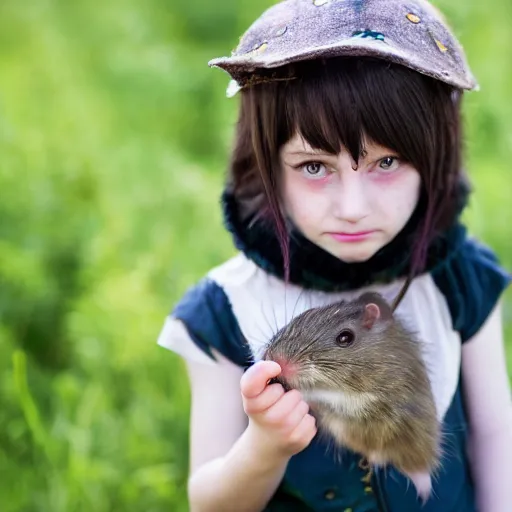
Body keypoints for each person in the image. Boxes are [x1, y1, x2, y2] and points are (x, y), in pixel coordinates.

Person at [157, 0, 512, 510]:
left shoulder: (460, 282)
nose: (352, 208)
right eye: (315, 167)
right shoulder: (222, 312)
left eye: (386, 161)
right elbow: (208, 503)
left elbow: (495, 433)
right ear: (266, 167)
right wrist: (264, 447)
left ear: (435, 158)